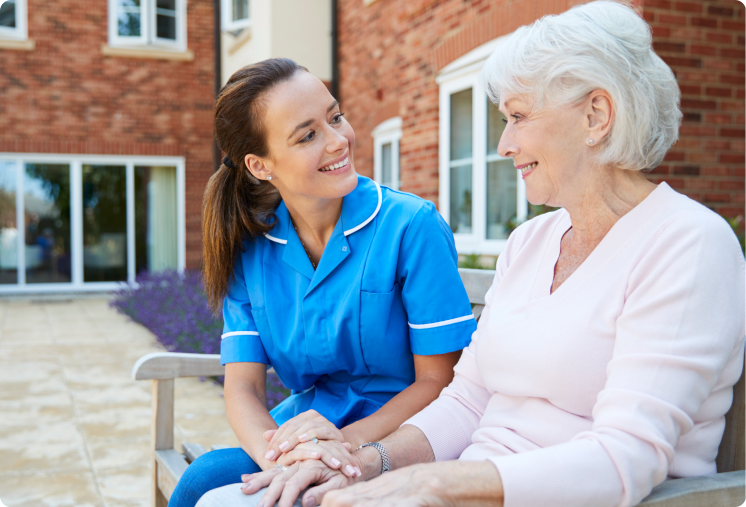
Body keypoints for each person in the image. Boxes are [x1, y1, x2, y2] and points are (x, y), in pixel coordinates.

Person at [196, 3, 746, 507]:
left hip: (532, 494)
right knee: (223, 500)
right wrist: (364, 467)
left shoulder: (687, 243)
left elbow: (626, 458)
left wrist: (430, 481)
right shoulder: (532, 242)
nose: (504, 145)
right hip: (470, 482)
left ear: (596, 116)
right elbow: (465, 401)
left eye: (519, 116)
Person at [167, 58, 477, 506]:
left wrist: (336, 449)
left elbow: (440, 381)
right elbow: (244, 386)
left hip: (405, 439)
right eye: (308, 135)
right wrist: (281, 460)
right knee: (203, 479)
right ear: (259, 165)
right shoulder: (250, 248)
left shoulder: (411, 227)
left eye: (335, 117)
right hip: (306, 432)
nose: (338, 141)